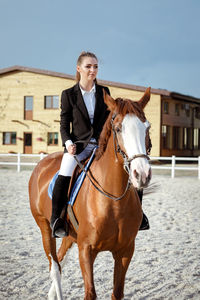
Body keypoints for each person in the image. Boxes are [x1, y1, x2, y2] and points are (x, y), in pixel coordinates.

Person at [50, 51, 149, 238]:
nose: (92, 70)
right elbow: (64, 124)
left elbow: (108, 121)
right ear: (79, 68)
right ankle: (58, 219)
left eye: (95, 66)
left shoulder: (104, 92)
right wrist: (68, 143)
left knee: (130, 169)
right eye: (88, 66)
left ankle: (139, 215)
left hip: (101, 146)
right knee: (64, 172)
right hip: (77, 147)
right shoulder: (68, 95)